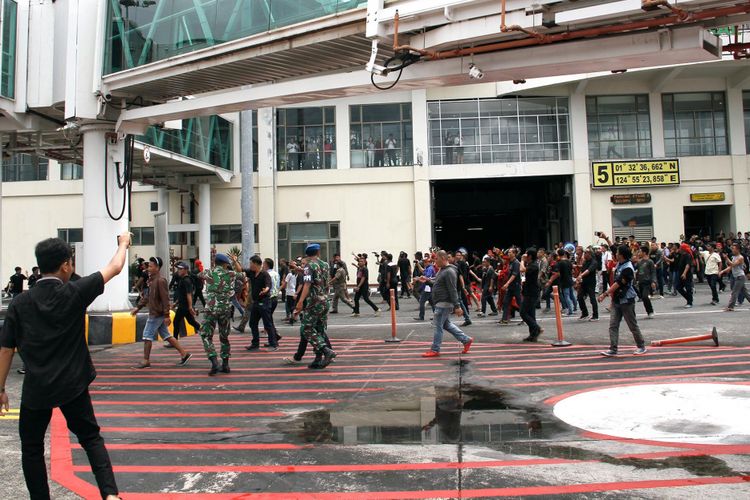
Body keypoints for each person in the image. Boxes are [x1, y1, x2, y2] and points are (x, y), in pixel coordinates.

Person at [0, 232, 133, 500]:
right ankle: (110, 495)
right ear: (65, 265)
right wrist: (123, 243)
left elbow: (6, 349)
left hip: (37, 388)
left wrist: (1, 388)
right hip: (73, 385)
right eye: (71, 262)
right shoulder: (75, 291)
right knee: (91, 438)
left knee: (32, 448)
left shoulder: (19, 303)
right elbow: (116, 267)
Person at [130, 257, 192, 369]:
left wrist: (167, 315)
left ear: (157, 268)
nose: (148, 268)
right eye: (148, 266)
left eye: (150, 266)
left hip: (156, 314)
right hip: (156, 313)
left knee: (147, 336)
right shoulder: (152, 281)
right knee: (167, 336)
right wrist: (138, 308)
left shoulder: (160, 281)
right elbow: (148, 297)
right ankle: (184, 354)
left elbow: (165, 299)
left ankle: (146, 360)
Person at [292, 243, 337, 369]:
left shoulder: (308, 265)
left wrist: (300, 302)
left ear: (308, 254)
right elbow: (324, 281)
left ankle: (326, 351)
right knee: (319, 329)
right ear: (318, 252)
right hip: (325, 300)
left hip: (314, 302)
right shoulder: (325, 265)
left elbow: (307, 284)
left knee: (306, 329)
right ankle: (318, 359)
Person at [597, 245, 647, 357]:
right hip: (617, 300)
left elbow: (618, 283)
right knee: (613, 325)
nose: (615, 254)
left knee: (632, 325)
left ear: (622, 255)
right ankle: (613, 349)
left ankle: (641, 346)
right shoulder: (621, 263)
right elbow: (614, 248)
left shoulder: (628, 268)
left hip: (627, 300)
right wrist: (605, 238)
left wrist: (605, 294)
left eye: (618, 252)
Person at [422, 250, 473, 357]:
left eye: (436, 259)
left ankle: (435, 349)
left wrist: (457, 306)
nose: (434, 261)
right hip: (442, 302)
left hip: (444, 303)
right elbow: (436, 281)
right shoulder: (443, 270)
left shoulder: (449, 272)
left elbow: (453, 290)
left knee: (438, 326)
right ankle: (466, 340)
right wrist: (426, 280)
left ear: (443, 258)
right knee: (446, 324)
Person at [199, 253, 240, 376]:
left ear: (215, 262)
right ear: (225, 263)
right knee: (224, 336)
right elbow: (242, 274)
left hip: (211, 309)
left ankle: (214, 361)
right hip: (225, 309)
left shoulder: (208, 273)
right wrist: (235, 263)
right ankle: (226, 364)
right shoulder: (230, 274)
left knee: (206, 335)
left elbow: (198, 274)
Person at [241, 255, 279, 351]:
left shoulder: (264, 274)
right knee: (253, 323)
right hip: (256, 302)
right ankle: (255, 344)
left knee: (267, 323)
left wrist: (265, 290)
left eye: (251, 263)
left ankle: (273, 344)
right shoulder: (252, 273)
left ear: (256, 264)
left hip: (265, 302)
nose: (249, 265)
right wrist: (235, 260)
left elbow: (268, 285)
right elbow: (240, 270)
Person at [520, 248, 543, 342]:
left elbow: (522, 269)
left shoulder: (534, 265)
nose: (525, 256)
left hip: (531, 293)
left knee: (523, 312)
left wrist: (522, 260)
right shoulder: (530, 264)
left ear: (529, 256)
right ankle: (533, 335)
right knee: (531, 314)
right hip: (528, 291)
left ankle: (537, 328)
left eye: (526, 254)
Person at [172, 261, 201, 339]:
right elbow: (182, 294)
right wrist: (176, 303)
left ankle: (174, 340)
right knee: (191, 321)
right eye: (178, 269)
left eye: (180, 269)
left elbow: (189, 294)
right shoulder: (183, 279)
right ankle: (204, 331)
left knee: (176, 321)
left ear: (185, 270)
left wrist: (190, 306)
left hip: (184, 306)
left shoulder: (186, 280)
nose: (179, 271)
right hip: (183, 304)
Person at [720, 242, 750, 311]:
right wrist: (723, 271)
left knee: (734, 291)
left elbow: (733, 264)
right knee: (745, 292)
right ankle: (731, 306)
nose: (732, 250)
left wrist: (727, 258)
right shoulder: (734, 257)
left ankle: (730, 306)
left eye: (733, 249)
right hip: (737, 276)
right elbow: (731, 267)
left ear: (738, 249)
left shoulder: (740, 257)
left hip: (740, 277)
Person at [575, 248, 599, 321]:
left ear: (589, 254)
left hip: (591, 283)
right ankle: (585, 313)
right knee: (579, 297)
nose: (584, 254)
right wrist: (578, 278)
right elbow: (582, 270)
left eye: (585, 253)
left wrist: (581, 275)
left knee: (592, 299)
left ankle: (595, 315)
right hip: (584, 282)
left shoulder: (594, 262)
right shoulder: (585, 262)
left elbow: (588, 271)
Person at [500, 249, 522, 325]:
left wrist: (507, 284)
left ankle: (525, 318)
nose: (508, 253)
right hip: (511, 287)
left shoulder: (516, 263)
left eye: (510, 252)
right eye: (508, 252)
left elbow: (514, 275)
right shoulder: (511, 262)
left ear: (514, 254)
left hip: (515, 286)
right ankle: (504, 319)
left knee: (519, 303)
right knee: (506, 302)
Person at [635, 246, 656, 319]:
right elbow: (637, 271)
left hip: (647, 282)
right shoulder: (639, 262)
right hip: (641, 282)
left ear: (644, 253)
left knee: (645, 296)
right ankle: (648, 312)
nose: (639, 253)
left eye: (640, 251)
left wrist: (653, 281)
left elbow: (653, 272)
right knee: (643, 298)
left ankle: (651, 311)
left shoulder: (650, 261)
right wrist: (637, 280)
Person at [414, 255, 436, 321]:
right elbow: (422, 271)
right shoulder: (429, 268)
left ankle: (421, 316)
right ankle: (436, 315)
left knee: (422, 301)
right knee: (432, 303)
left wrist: (418, 279)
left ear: (429, 262)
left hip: (427, 287)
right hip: (429, 287)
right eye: (424, 262)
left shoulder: (430, 268)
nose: (424, 263)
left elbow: (426, 278)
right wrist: (418, 264)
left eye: (426, 262)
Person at [675, 243, 694, 308]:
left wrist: (684, 273)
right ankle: (689, 299)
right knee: (678, 287)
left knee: (688, 288)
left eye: (681, 248)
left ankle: (689, 302)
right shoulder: (681, 255)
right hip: (680, 274)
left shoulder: (688, 256)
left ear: (683, 249)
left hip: (686, 274)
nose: (679, 249)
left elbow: (687, 265)